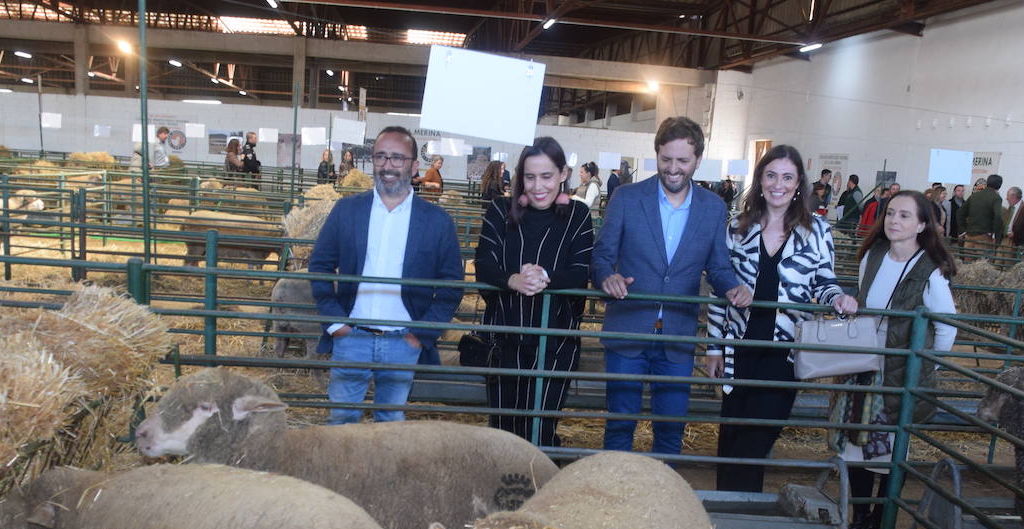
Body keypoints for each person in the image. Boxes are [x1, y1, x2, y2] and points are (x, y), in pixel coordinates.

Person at [704, 144, 858, 492]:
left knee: (758, 436)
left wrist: (839, 299)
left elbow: (824, 280)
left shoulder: (817, 230)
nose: (778, 184)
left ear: (799, 183)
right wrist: (713, 346)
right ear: (759, 180)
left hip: (784, 350)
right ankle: (726, 514)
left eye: (787, 177)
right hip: (739, 347)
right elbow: (719, 288)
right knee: (732, 434)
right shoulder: (736, 228)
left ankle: (738, 513)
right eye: (771, 175)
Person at [591, 116, 748, 456]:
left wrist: (732, 287)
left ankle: (664, 505)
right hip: (628, 328)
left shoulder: (713, 208)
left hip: (678, 334)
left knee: (671, 429)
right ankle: (612, 502)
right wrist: (607, 276)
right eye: (666, 159)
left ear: (698, 161)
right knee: (619, 424)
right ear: (656, 154)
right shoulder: (626, 198)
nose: (673, 168)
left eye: (683, 161)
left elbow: (718, 266)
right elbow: (602, 254)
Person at [829, 190, 959, 529]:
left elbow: (947, 327)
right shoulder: (872, 257)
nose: (894, 221)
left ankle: (879, 526)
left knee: (886, 453)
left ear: (921, 224)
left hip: (898, 372)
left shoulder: (930, 270)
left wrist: (922, 367)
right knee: (856, 444)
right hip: (864, 365)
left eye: (904, 215)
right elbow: (865, 299)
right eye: (890, 213)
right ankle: (860, 518)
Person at [309, 125, 464, 424]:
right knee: (341, 420)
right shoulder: (347, 210)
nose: (388, 166)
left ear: (414, 165)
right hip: (351, 336)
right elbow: (319, 266)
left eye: (397, 158)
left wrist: (421, 334)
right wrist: (335, 323)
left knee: (391, 424)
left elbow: (451, 285)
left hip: (403, 341)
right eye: (381, 157)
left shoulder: (437, 221)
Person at [474, 137, 594, 447]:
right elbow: (484, 263)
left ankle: (542, 490)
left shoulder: (577, 216)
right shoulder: (500, 210)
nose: (538, 186)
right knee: (503, 427)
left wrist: (544, 277)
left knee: (541, 425)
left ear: (563, 174)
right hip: (503, 336)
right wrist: (513, 279)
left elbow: (581, 271)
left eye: (547, 176)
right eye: (529, 177)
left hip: (555, 340)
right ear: (520, 176)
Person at [959, 173, 1004, 259]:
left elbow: (960, 213)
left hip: (969, 235)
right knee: (981, 266)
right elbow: (998, 216)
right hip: (984, 237)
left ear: (987, 183)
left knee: (967, 265)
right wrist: (994, 233)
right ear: (999, 186)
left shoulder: (974, 196)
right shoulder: (996, 198)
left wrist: (963, 230)